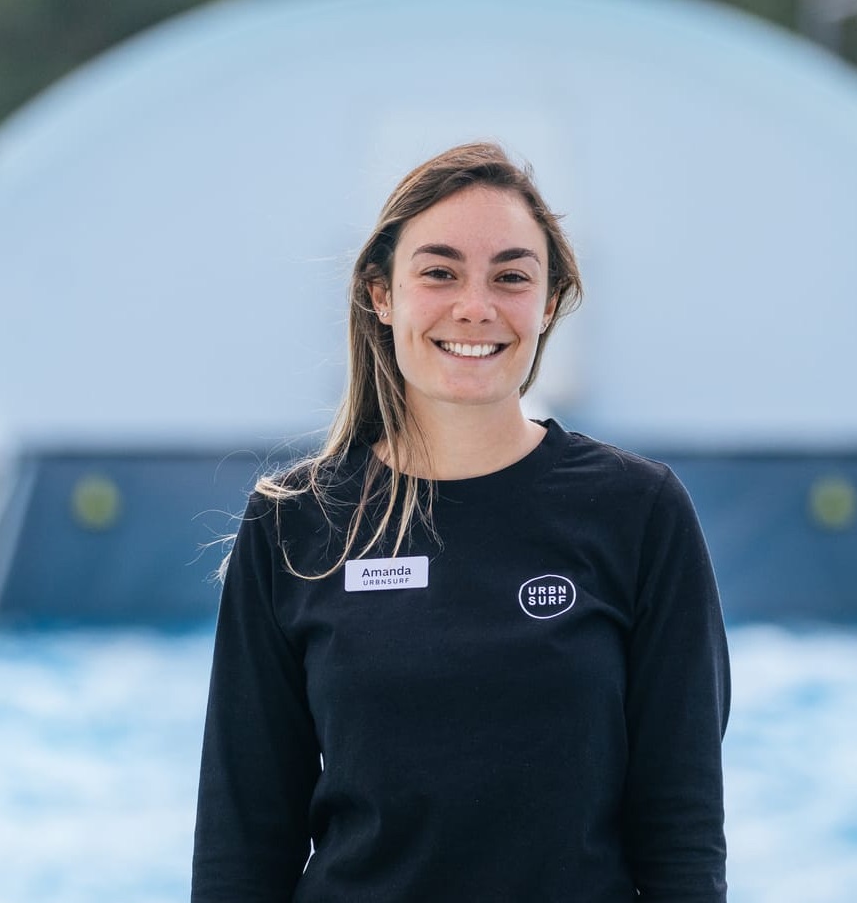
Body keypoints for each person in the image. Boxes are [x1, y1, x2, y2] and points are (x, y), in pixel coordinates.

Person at [192, 142, 730, 902]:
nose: (475, 307)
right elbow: (241, 836)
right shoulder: (296, 524)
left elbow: (682, 826)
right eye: (439, 272)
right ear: (382, 294)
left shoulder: (637, 511)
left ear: (548, 304)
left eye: (511, 277)